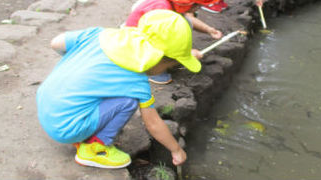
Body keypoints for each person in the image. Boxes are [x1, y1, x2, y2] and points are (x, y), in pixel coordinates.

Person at [36, 10, 202, 169]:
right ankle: (95, 148)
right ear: (160, 59)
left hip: (45, 105)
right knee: (128, 101)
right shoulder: (137, 82)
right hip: (65, 128)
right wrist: (176, 150)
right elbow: (153, 124)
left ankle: (85, 125)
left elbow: (56, 42)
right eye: (172, 65)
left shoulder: (100, 34)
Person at [126, 0, 222, 84]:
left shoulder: (172, 1)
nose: (197, 9)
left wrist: (208, 29)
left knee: (185, 22)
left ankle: (166, 62)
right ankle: (152, 70)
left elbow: (189, 19)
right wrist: (187, 54)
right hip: (136, 44)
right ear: (189, 2)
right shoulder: (161, 8)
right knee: (181, 26)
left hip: (149, 38)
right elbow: (159, 41)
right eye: (198, 6)